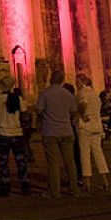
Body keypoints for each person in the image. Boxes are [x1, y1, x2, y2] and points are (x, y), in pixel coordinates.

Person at [36, 70, 79, 198]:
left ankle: (55, 191)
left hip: (50, 132)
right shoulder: (68, 94)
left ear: (51, 79)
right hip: (66, 131)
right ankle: (74, 189)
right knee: (70, 162)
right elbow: (73, 111)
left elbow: (39, 110)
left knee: (53, 163)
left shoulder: (45, 93)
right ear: (62, 80)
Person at [0, 76, 30, 196]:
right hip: (17, 134)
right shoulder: (18, 98)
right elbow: (25, 115)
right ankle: (24, 185)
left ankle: (4, 187)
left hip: (2, 134)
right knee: (21, 161)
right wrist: (22, 127)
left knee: (3, 162)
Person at [74, 74, 110, 193]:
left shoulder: (82, 93)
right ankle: (105, 180)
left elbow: (83, 104)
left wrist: (81, 114)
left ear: (81, 82)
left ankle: (87, 182)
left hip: (86, 126)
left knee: (84, 154)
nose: (76, 84)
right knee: (98, 153)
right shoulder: (95, 94)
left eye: (77, 82)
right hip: (97, 126)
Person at [63, 83, 83, 183]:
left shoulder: (69, 100)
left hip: (70, 128)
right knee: (75, 155)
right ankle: (78, 177)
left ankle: (75, 177)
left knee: (71, 156)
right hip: (73, 129)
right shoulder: (73, 99)